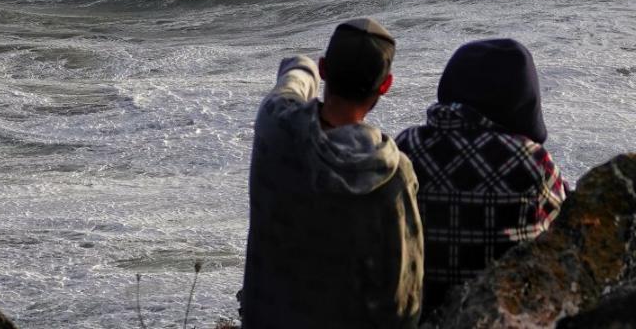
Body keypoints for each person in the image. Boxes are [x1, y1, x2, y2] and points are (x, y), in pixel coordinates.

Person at [240, 18, 423, 328]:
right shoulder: (393, 173)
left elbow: (292, 80)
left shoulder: (277, 127)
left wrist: (304, 66)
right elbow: (403, 297)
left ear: (325, 68)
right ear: (386, 85)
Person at [397, 38, 567, 318]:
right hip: (497, 316)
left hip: (418, 315)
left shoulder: (407, 146)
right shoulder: (530, 162)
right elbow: (568, 224)